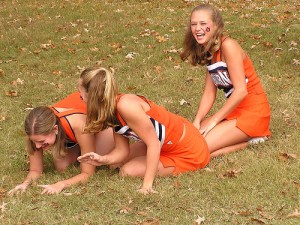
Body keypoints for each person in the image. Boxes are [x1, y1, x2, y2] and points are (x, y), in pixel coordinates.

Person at [76, 66, 210, 194]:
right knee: (114, 164)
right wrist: (102, 159)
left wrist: (147, 186)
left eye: (80, 92)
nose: (79, 97)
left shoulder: (126, 106)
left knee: (127, 171)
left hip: (187, 150)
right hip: (163, 145)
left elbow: (154, 143)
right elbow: (121, 150)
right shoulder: (111, 109)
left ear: (91, 95)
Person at [180, 4, 271, 158]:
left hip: (254, 113)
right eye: (194, 24)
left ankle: (251, 139)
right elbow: (209, 93)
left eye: (203, 24)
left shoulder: (228, 46)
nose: (197, 28)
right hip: (235, 112)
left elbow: (241, 91)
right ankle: (249, 141)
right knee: (191, 137)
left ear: (216, 26)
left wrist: (214, 120)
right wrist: (197, 120)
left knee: (198, 148)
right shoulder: (209, 50)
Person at [8, 92, 114, 195]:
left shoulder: (79, 125)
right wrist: (24, 184)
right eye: (34, 141)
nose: (37, 146)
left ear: (55, 129)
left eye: (41, 142)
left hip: (102, 126)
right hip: (71, 132)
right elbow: (35, 170)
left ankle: (86, 144)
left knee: (102, 160)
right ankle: (81, 145)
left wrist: (61, 184)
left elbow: (88, 173)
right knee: (63, 167)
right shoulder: (35, 130)